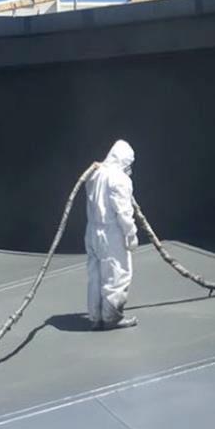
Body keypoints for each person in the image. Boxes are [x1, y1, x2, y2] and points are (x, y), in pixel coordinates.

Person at [84, 139, 139, 330]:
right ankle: (111, 317)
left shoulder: (95, 174)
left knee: (95, 275)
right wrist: (131, 235)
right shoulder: (120, 179)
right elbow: (123, 212)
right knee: (117, 274)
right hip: (111, 232)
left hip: (92, 231)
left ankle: (95, 316)